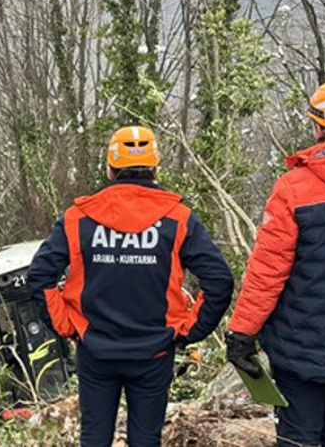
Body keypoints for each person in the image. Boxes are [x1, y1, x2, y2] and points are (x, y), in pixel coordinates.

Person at [27, 126, 234, 447]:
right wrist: (187, 331)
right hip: (154, 350)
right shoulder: (178, 219)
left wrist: (67, 325)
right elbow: (219, 280)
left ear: (110, 169)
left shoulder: (78, 218)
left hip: (96, 349)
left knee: (94, 439)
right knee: (146, 440)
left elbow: (40, 276)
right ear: (155, 168)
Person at [226, 80, 325, 446]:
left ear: (317, 126)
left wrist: (242, 334)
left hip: (300, 351)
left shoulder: (293, 188)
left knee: (298, 440)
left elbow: (267, 273)